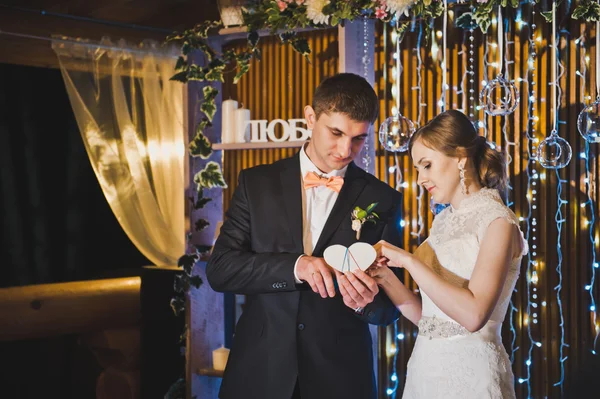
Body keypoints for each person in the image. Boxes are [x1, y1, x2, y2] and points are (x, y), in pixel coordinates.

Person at [206, 73, 403, 399]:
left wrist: (367, 303)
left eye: (358, 138)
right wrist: (297, 266)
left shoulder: (382, 199)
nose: (345, 149)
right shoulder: (256, 184)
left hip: (340, 377)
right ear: (311, 117)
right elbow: (221, 269)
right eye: (336, 132)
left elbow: (388, 310)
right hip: (260, 369)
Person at [370, 109, 528, 398]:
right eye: (418, 169)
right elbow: (429, 317)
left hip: (472, 375)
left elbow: (472, 315)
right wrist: (384, 277)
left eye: (427, 165)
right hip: (425, 371)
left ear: (460, 158)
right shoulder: (442, 221)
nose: (420, 179)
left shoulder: (498, 222)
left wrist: (407, 260)